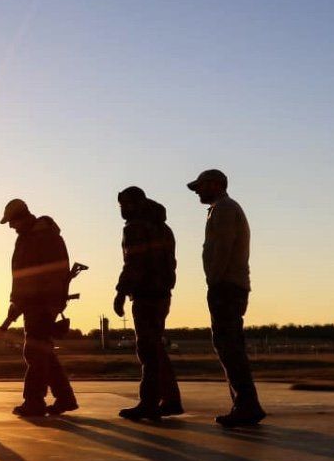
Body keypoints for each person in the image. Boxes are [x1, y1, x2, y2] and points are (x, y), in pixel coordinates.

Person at [189, 167, 264, 427]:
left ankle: (246, 405)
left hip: (226, 285)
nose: (197, 191)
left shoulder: (224, 209)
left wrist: (215, 279)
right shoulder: (220, 209)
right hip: (228, 284)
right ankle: (245, 403)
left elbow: (223, 246)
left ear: (216, 184)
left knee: (228, 345)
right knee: (228, 345)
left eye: (201, 185)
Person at [1, 198, 78, 418]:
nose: (11, 227)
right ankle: (65, 398)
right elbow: (22, 276)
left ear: (21, 217)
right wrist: (16, 302)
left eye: (12, 222)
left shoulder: (44, 238)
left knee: (34, 351)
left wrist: (39, 303)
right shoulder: (29, 237)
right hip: (33, 302)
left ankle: (34, 401)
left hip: (42, 303)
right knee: (43, 352)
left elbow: (50, 274)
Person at [112, 186, 182, 420]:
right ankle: (171, 399)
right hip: (162, 293)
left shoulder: (136, 228)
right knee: (156, 348)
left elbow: (134, 262)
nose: (122, 210)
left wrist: (121, 291)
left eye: (125, 205)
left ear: (137, 204)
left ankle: (149, 402)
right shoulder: (163, 228)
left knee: (148, 351)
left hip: (146, 294)